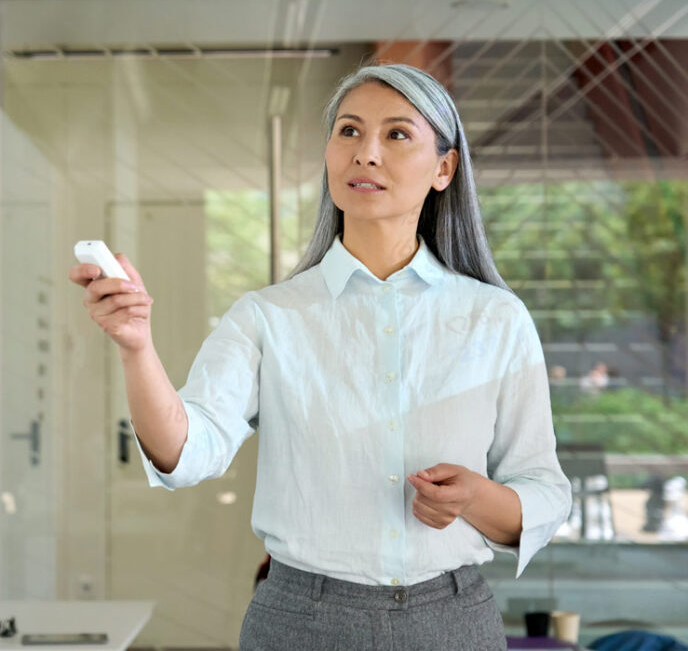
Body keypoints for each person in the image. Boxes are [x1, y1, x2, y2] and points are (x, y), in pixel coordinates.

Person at [69, 63, 572, 650]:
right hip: (301, 624)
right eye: (349, 131)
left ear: (444, 167)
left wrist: (477, 499)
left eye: (397, 134)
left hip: (452, 623)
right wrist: (137, 347)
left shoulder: (496, 319)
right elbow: (187, 451)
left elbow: (543, 488)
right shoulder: (267, 316)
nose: (366, 153)